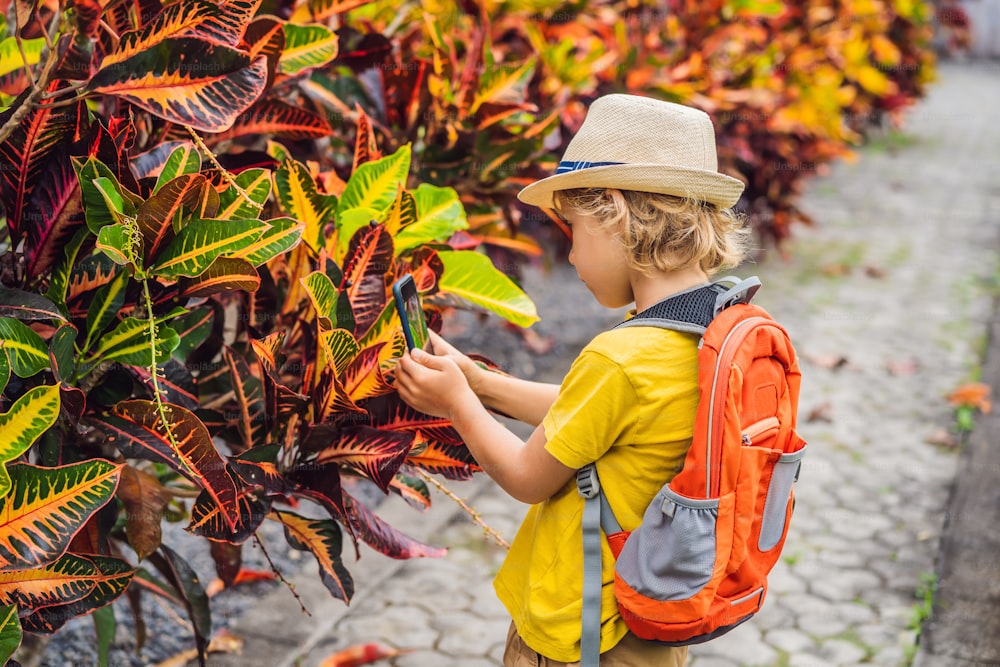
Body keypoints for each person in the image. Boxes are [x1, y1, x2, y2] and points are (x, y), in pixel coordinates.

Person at [394, 94, 750, 666]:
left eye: (574, 231)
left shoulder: (620, 356)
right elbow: (598, 417)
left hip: (581, 633)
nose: (572, 256)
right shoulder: (711, 323)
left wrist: (457, 403)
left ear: (615, 213)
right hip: (653, 620)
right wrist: (480, 383)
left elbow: (526, 477)